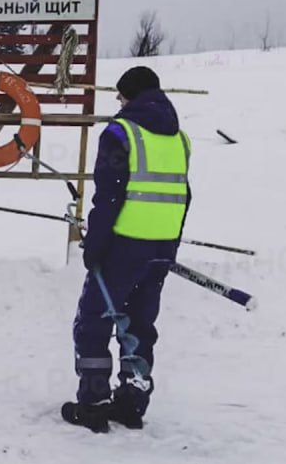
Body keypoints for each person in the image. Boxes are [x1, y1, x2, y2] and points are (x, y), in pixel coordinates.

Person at [62, 66, 192, 433]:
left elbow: (110, 195)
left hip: (122, 246)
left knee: (94, 321)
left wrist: (95, 245)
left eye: (120, 95)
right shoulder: (179, 139)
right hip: (160, 248)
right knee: (139, 323)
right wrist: (171, 244)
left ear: (130, 95)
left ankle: (94, 402)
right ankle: (132, 402)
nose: (117, 101)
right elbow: (184, 196)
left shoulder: (120, 133)